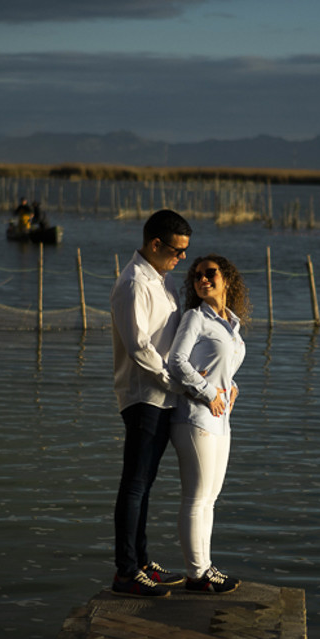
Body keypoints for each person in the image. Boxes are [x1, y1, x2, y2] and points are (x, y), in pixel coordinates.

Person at [109, 209, 193, 597]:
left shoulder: (165, 280)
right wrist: (171, 379)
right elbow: (138, 346)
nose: (182, 258)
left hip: (165, 397)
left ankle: (142, 562)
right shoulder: (133, 284)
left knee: (145, 485)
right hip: (143, 396)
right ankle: (126, 572)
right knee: (135, 484)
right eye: (177, 250)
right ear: (155, 244)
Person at [168, 254, 249, 594]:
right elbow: (176, 362)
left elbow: (222, 367)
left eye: (210, 273)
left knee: (211, 499)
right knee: (196, 498)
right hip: (194, 418)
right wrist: (206, 390)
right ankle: (196, 574)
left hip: (221, 420)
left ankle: (205, 567)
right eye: (198, 275)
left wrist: (230, 386)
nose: (203, 279)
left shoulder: (232, 324)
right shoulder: (195, 318)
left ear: (226, 279)